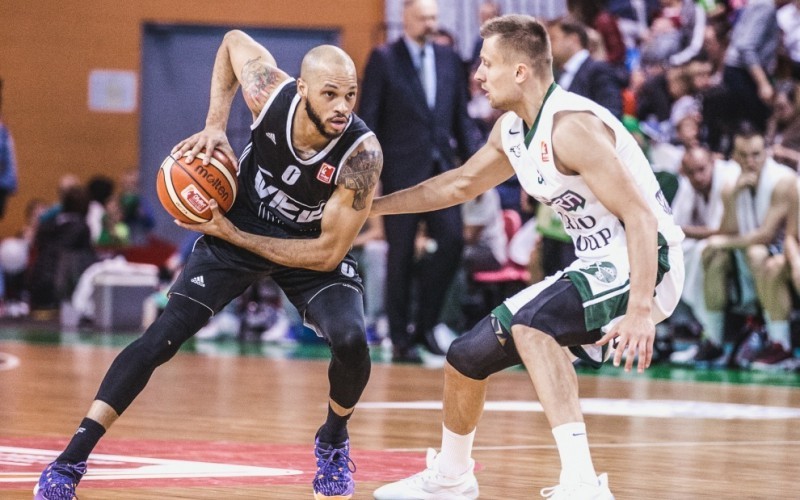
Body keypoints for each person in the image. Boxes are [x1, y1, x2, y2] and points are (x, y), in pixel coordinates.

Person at [32, 30, 382, 500]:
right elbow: (233, 42)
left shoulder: (361, 154)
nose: (343, 107)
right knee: (161, 337)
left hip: (302, 245)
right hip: (240, 223)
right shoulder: (270, 94)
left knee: (353, 341)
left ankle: (333, 440)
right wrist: (215, 124)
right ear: (302, 88)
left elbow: (328, 253)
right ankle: (69, 462)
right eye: (330, 94)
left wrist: (233, 236)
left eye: (351, 95)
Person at [372, 14, 684, 499]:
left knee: (534, 326)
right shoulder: (512, 131)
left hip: (649, 259)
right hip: (596, 263)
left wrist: (640, 309)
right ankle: (452, 477)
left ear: (520, 71)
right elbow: (458, 184)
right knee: (465, 356)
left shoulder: (572, 127)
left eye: (487, 63)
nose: (478, 74)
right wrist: (371, 208)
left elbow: (640, 218)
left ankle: (583, 483)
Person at [359, 0, 481, 362]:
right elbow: (369, 119)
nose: (430, 24)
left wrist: (478, 165)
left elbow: (461, 118)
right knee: (399, 255)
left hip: (442, 171)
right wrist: (369, 175)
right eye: (423, 18)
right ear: (406, 19)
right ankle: (400, 338)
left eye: (434, 18)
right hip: (400, 174)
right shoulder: (384, 58)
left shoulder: (448, 59)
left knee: (452, 242)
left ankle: (426, 325)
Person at [690, 127, 798, 369]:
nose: (751, 161)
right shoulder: (731, 184)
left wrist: (722, 242)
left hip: (779, 255)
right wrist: (733, 197)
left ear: (766, 153)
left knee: (757, 254)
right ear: (735, 156)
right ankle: (714, 341)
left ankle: (777, 340)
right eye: (744, 155)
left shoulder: (783, 181)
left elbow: (766, 236)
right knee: (715, 257)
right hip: (750, 254)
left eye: (756, 154)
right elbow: (728, 230)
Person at [668, 145, 741, 365]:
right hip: (715, 245)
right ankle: (690, 331)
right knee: (670, 254)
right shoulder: (689, 184)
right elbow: (675, 225)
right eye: (691, 172)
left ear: (713, 162)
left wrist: (684, 230)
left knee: (705, 252)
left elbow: (725, 230)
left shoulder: (729, 178)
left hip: (739, 245)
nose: (698, 177)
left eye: (702, 169)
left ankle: (713, 337)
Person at [547, 16, 625, 119]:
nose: (548, 46)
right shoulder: (558, 75)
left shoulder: (598, 70)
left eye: (553, 39)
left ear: (573, 39)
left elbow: (612, 113)